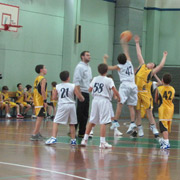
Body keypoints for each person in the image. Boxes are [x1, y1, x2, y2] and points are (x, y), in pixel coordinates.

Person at [134, 35, 168, 137]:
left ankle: (153, 128)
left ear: (153, 67)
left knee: (149, 111)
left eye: (152, 64)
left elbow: (161, 66)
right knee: (138, 112)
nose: (150, 63)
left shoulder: (150, 72)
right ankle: (139, 128)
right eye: (150, 62)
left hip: (145, 93)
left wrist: (164, 56)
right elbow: (139, 54)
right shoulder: (141, 65)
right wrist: (136, 43)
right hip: (136, 92)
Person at [81, 63, 120, 148]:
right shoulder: (109, 80)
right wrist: (119, 97)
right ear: (107, 71)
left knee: (91, 121)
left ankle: (84, 140)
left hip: (95, 100)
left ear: (98, 70)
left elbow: (89, 89)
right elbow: (115, 90)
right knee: (103, 122)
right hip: (104, 100)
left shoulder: (95, 78)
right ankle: (102, 142)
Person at [103, 36, 138, 135]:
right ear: (126, 59)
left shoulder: (119, 66)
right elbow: (126, 51)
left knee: (120, 104)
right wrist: (124, 42)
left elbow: (106, 68)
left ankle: (115, 122)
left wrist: (105, 59)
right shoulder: (129, 63)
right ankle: (132, 123)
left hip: (125, 85)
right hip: (133, 85)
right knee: (131, 106)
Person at [45, 71, 84, 145]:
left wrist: (56, 94)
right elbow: (79, 96)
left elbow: (54, 98)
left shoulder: (58, 86)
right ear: (68, 78)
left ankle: (53, 137)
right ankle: (73, 140)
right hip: (71, 105)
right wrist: (82, 99)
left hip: (63, 105)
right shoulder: (73, 85)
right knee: (72, 123)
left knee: (56, 122)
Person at [73, 51, 92, 138]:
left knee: (85, 114)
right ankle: (72, 130)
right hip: (81, 92)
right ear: (82, 56)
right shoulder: (80, 67)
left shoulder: (88, 67)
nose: (89, 56)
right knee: (79, 113)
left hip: (87, 92)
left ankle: (82, 132)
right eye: (87, 55)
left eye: (89, 55)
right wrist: (79, 94)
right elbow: (76, 81)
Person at [155, 73, 175, 149]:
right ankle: (164, 140)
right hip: (170, 109)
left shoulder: (159, 89)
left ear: (162, 80)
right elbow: (172, 99)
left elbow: (156, 100)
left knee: (163, 127)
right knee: (166, 126)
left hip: (163, 109)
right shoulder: (173, 89)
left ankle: (166, 143)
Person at [30, 65, 47, 141]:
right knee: (40, 117)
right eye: (45, 68)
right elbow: (42, 90)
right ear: (41, 70)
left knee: (39, 117)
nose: (46, 69)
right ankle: (34, 134)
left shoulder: (37, 78)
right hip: (40, 100)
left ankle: (37, 133)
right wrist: (45, 100)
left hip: (36, 99)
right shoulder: (43, 79)